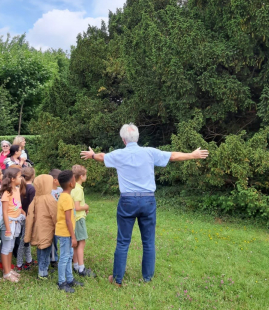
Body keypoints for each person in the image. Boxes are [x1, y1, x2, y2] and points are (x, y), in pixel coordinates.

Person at [80, 123, 210, 287]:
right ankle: (147, 279)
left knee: (122, 242)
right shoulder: (150, 152)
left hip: (127, 201)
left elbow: (101, 156)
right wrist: (193, 155)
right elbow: (173, 156)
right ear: (137, 137)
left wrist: (92, 155)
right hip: (148, 200)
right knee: (148, 242)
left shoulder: (119, 154)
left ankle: (117, 280)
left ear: (123, 139)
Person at [55, 170, 83, 293]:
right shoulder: (66, 198)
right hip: (65, 233)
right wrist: (73, 237)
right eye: (74, 179)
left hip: (66, 232)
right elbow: (68, 220)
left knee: (69, 255)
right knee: (65, 257)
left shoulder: (65, 196)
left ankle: (70, 279)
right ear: (71, 183)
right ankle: (62, 282)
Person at [24, 174, 56, 280]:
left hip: (38, 229)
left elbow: (30, 216)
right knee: (45, 249)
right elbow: (55, 214)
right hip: (47, 229)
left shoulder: (36, 198)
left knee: (41, 248)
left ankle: (44, 268)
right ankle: (42, 273)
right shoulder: (49, 198)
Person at [0, 168, 25, 282]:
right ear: (12, 179)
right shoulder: (6, 192)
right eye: (19, 176)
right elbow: (4, 212)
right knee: (6, 247)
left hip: (16, 221)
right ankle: (6, 273)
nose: (21, 178)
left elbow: (17, 205)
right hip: (8, 224)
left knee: (11, 246)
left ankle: (9, 269)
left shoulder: (17, 189)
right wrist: (8, 228)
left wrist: (22, 211)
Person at [71, 165, 95, 277]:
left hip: (73, 219)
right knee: (81, 243)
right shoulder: (78, 190)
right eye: (85, 175)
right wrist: (86, 206)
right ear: (81, 176)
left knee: (75, 244)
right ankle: (81, 269)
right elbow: (77, 207)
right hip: (79, 219)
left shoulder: (72, 187)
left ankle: (75, 265)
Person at [16, 167, 35, 271]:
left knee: (26, 240)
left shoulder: (20, 186)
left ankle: (29, 260)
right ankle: (19, 264)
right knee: (24, 241)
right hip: (27, 217)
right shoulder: (32, 189)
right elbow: (32, 205)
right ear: (33, 176)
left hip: (22, 216)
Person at [49, 169, 62, 267]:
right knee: (52, 239)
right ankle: (53, 259)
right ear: (54, 180)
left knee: (58, 238)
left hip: (60, 219)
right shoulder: (48, 192)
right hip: (51, 219)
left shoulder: (61, 190)